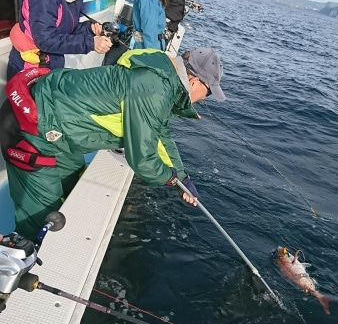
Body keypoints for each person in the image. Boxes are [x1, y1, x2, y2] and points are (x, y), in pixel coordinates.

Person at [0, 47, 225, 240]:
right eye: (208, 92)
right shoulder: (153, 90)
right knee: (39, 222)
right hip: (31, 129)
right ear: (194, 80)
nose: (205, 99)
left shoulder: (163, 81)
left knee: (74, 188)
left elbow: (160, 134)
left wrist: (182, 177)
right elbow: (142, 159)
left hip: (59, 132)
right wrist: (170, 178)